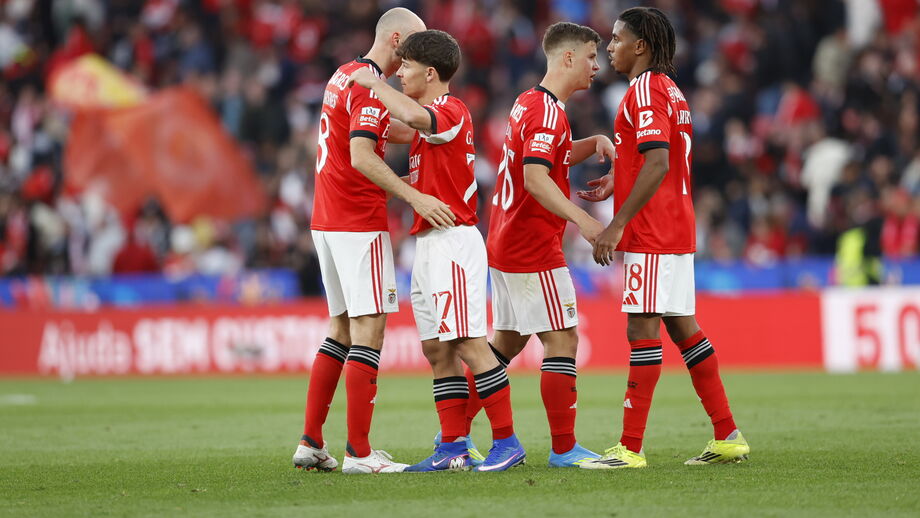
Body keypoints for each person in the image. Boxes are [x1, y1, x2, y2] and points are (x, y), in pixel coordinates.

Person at [578, 6, 750, 469]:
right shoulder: (671, 89)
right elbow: (654, 159)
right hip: (676, 225)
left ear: (641, 46)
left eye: (616, 39)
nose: (609, 47)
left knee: (641, 328)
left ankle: (630, 448)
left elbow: (658, 162)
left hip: (652, 231)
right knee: (682, 327)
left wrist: (616, 224)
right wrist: (622, 175)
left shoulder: (646, 88)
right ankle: (728, 434)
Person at [349, 29, 523, 472]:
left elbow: (409, 114)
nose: (399, 72)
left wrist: (373, 83)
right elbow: (399, 129)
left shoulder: (450, 110)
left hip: (453, 241)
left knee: (468, 343)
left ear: (430, 72)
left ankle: (507, 442)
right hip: (426, 241)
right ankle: (453, 445)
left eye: (405, 66)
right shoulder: (428, 118)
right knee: (437, 351)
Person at [292, 7, 456, 475]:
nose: (417, 59)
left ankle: (310, 441)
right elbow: (362, 155)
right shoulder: (370, 81)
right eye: (415, 46)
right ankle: (359, 454)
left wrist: (434, 131)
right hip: (357, 221)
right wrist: (414, 196)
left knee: (340, 329)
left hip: (326, 219)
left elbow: (387, 127)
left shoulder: (344, 74)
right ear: (398, 39)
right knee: (369, 332)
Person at [474, 21, 616, 468]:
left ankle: (452, 436)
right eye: (592, 56)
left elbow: (543, 158)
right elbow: (536, 178)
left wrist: (590, 143)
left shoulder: (529, 103)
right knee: (563, 339)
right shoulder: (547, 112)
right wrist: (586, 223)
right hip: (531, 246)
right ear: (569, 58)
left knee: (505, 346)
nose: (598, 65)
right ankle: (564, 448)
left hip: (505, 241)